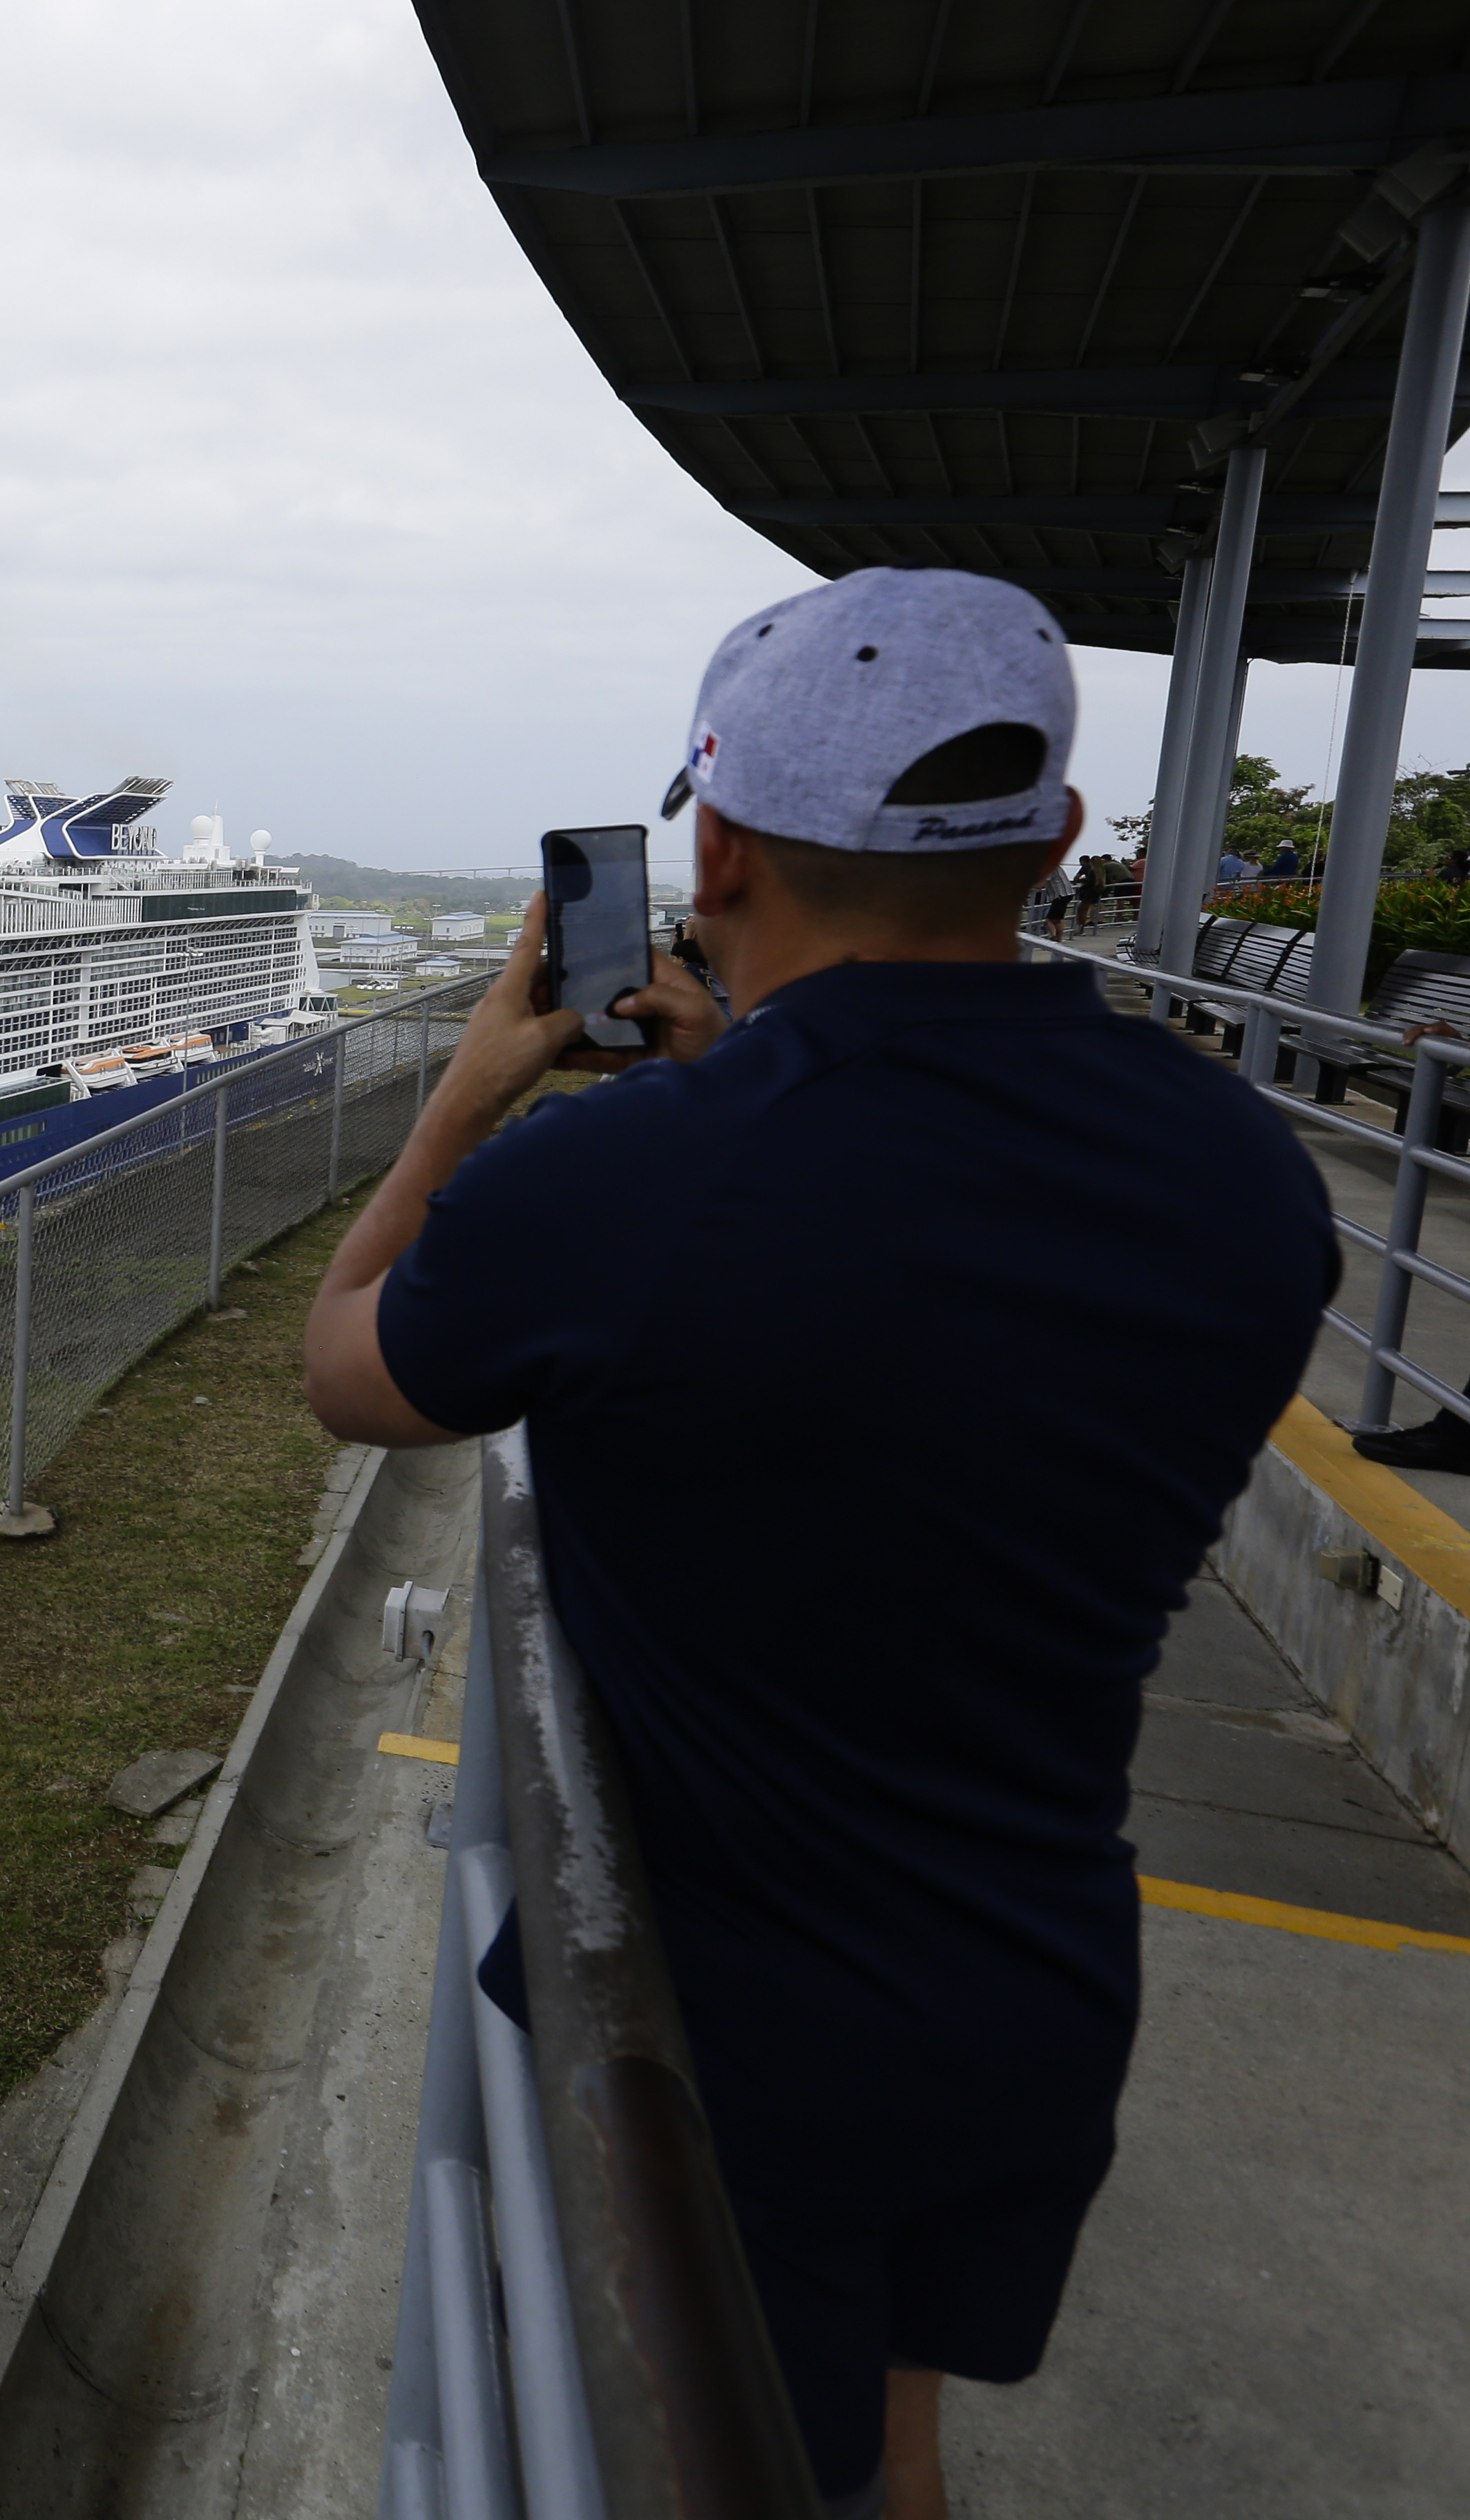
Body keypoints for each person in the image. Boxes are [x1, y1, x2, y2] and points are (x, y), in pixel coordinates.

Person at [301, 568, 1334, 2520]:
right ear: (1054, 834)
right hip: (1030, 1987)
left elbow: (350, 1370)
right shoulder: (1240, 1172)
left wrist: (465, 1099)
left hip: (729, 2043)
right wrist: (738, 1078)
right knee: (891, 2452)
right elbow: (926, 1284)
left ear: (715, 848)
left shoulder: (623, 1184)